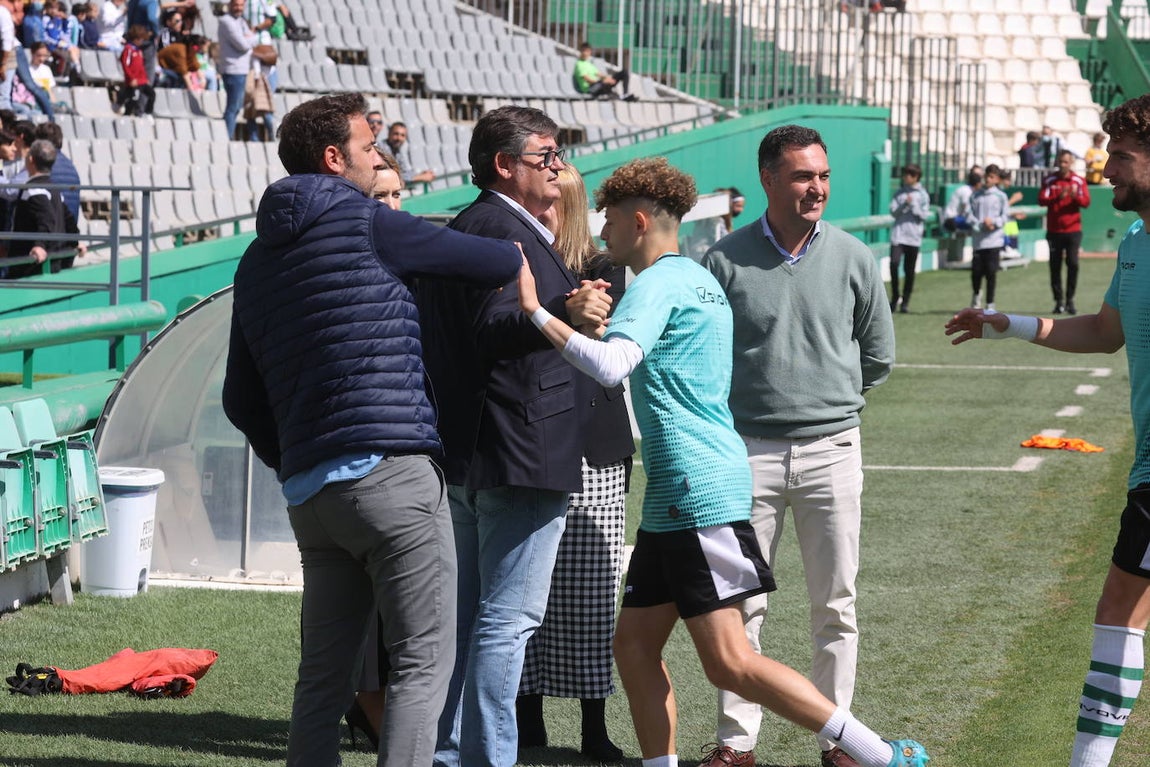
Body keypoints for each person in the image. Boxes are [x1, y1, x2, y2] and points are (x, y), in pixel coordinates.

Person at [517, 155, 929, 767]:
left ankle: (878, 755)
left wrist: (536, 312)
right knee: (633, 644)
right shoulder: (692, 276)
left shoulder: (657, 283)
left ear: (637, 221)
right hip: (677, 493)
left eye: (607, 222)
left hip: (696, 488)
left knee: (731, 661)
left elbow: (610, 367)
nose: (602, 235)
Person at [221, 92, 522, 767]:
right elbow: (493, 263)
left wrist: (297, 458)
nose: (381, 155)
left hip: (312, 496)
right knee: (421, 664)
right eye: (369, 145)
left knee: (322, 681)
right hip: (391, 474)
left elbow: (240, 399)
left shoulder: (253, 260)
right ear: (334, 159)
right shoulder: (368, 223)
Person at [944, 91, 1150, 767]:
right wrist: (1013, 322)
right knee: (1124, 608)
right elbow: (1104, 331)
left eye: (1120, 156)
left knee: (1120, 609)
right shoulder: (1138, 242)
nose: (1106, 170)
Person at [417, 104, 609, 767]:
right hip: (519, 452)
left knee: (471, 619)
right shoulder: (503, 231)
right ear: (504, 165)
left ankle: (449, 752)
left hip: (478, 450)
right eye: (546, 156)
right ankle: (486, 757)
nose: (558, 167)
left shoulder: (480, 225)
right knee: (506, 620)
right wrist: (560, 309)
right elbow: (493, 329)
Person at [699, 125, 895, 767]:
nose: (817, 188)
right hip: (745, 453)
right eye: (803, 176)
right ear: (768, 180)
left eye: (824, 175)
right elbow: (705, 356)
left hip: (833, 449)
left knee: (835, 604)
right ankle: (737, 745)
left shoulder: (854, 256)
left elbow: (878, 354)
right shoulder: (724, 259)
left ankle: (839, 742)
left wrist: (829, 403)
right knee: (739, 606)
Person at [516, 162, 634, 763]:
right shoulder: (520, 249)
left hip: (592, 442)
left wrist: (554, 308)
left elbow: (598, 336)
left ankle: (593, 724)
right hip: (534, 436)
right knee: (522, 587)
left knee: (590, 594)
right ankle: (526, 719)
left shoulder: (601, 264)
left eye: (553, 196)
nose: (541, 203)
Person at [3, 138, 82, 278]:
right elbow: (68, 218)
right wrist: (76, 241)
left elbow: (46, 219)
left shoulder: (32, 190)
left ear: (31, 160)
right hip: (53, 260)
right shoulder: (54, 190)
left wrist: (39, 245)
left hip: (29, 266)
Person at [1038, 148, 1091, 315]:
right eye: (1060, 162)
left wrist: (1075, 196)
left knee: (1073, 264)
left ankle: (1070, 300)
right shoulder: (1050, 180)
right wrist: (1057, 197)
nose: (1062, 165)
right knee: (1055, 266)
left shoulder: (1078, 180)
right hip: (1054, 231)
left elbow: (1086, 202)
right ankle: (1058, 302)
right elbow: (1041, 199)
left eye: (1066, 162)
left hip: (1073, 230)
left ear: (1071, 163)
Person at [888, 163, 929, 313]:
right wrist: (904, 204)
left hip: (913, 237)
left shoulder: (923, 195)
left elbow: (924, 216)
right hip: (898, 235)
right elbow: (893, 212)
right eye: (904, 174)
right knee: (894, 264)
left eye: (908, 175)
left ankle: (905, 301)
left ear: (915, 177)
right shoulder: (899, 193)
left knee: (909, 270)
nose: (905, 177)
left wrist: (913, 206)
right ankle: (895, 296)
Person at [967, 164, 1010, 311]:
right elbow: (969, 215)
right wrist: (979, 225)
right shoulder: (975, 195)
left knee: (991, 271)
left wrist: (994, 223)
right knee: (976, 272)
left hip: (994, 240)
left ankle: (990, 302)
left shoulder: (1001, 196)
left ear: (997, 179)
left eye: (991, 177)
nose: (988, 179)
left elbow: (1005, 216)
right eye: (986, 176)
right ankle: (976, 294)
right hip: (979, 240)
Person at [216, 0, 254, 140]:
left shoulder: (241, 21)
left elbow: (253, 38)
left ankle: (227, 135)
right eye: (236, 4)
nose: (238, 8)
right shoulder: (226, 21)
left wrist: (249, 38)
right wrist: (248, 38)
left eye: (241, 5)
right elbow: (243, 45)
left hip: (241, 70)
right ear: (230, 5)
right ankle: (226, 138)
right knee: (232, 108)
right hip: (233, 70)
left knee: (236, 107)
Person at [384, 121, 434, 185]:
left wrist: (421, 174)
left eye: (402, 135)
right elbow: (392, 176)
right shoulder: (383, 149)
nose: (399, 138)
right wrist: (420, 177)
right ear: (389, 134)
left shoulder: (396, 150)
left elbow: (404, 172)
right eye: (396, 134)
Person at [942, 165, 982, 234]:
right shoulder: (966, 191)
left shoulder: (969, 190)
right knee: (974, 222)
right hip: (951, 220)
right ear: (978, 184)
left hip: (957, 218)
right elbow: (966, 211)